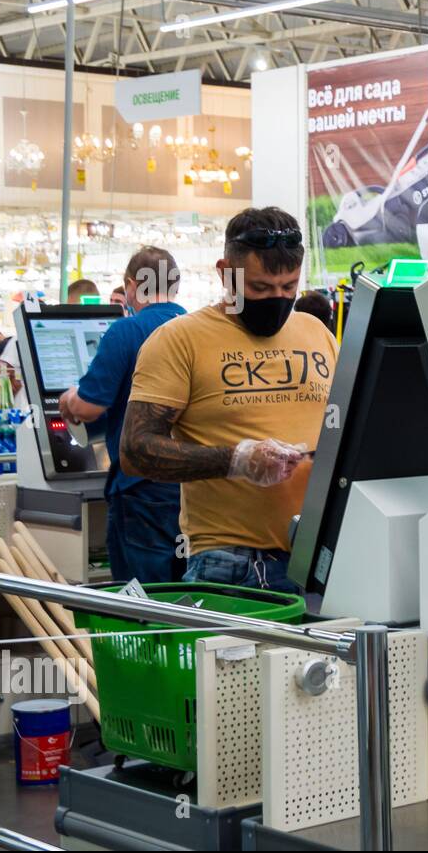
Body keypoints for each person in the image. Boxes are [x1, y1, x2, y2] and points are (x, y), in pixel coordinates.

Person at [121, 208, 338, 594]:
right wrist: (237, 460)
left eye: (288, 288)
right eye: (259, 288)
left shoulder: (316, 332)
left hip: (320, 555)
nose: (277, 298)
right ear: (225, 272)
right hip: (232, 563)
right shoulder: (179, 340)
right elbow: (136, 451)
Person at [57, 247, 186, 583]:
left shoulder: (125, 332)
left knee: (141, 595)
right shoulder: (197, 328)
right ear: (175, 284)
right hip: (192, 485)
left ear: (131, 285)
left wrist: (68, 399)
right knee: (183, 589)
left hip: (142, 487)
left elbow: (89, 406)